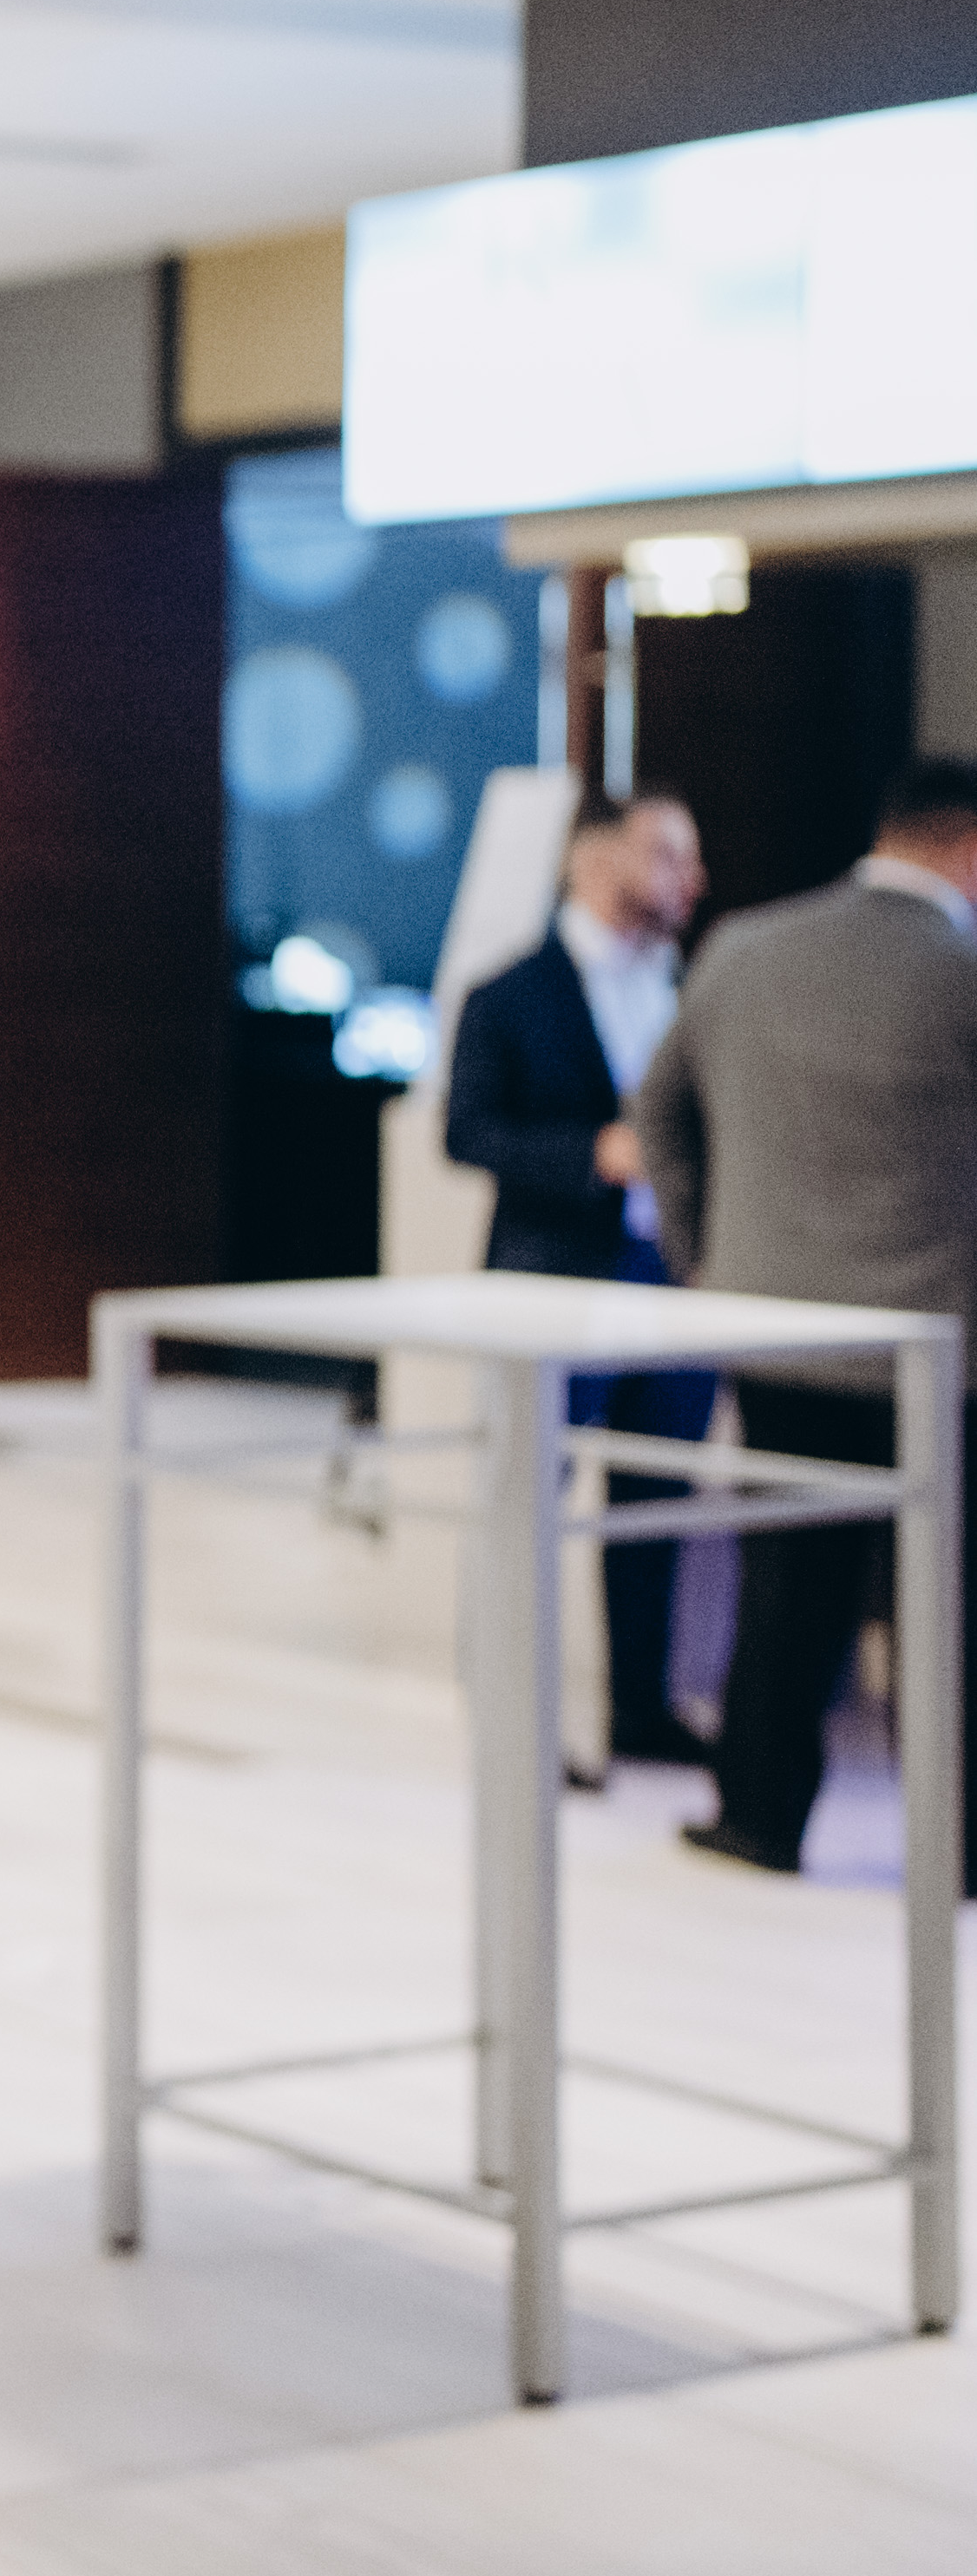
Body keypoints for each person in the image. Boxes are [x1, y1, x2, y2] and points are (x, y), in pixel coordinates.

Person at [635, 755, 977, 1889]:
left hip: (775, 1328)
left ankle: (757, 1816)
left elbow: (658, 1114)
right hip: (941, 1349)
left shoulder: (743, 948)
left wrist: (702, 1258)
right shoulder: (962, 972)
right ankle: (960, 1849)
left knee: (784, 1585)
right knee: (952, 1606)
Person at [443, 787, 713, 1772]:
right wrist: (588, 1155)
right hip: (549, 1278)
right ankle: (514, 1724)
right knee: (526, 1501)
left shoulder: (687, 984)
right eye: (666, 855)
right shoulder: (509, 992)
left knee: (655, 1499)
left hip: (664, 1275)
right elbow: (465, 1131)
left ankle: (641, 1708)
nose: (689, 879)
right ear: (592, 861)